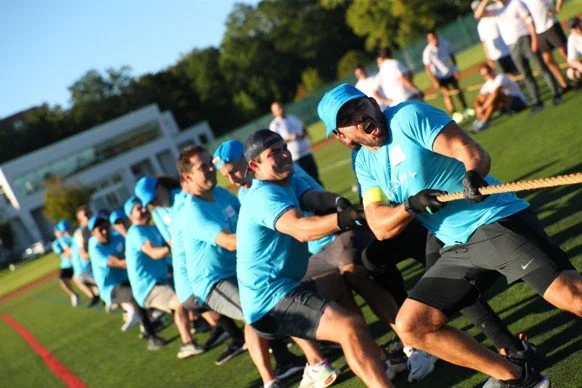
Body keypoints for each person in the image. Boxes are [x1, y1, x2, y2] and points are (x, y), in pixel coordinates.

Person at [318, 83, 582, 387]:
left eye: (359, 106)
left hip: (494, 221)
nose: (358, 116)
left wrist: (472, 174)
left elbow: (469, 151)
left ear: (373, 103)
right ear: (342, 137)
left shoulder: (408, 117)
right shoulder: (363, 161)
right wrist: (412, 206)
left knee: (571, 297)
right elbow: (379, 224)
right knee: (412, 325)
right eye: (347, 118)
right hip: (458, 247)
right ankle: (518, 378)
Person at [214, 139, 439, 383]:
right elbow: (301, 229)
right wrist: (342, 219)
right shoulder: (263, 195)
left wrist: (340, 204)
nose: (283, 156)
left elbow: (315, 197)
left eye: (283, 149)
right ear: (255, 166)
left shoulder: (286, 180)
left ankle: (383, 359)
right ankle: (396, 355)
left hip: (286, 285)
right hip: (270, 300)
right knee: (349, 326)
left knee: (343, 282)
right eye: (273, 153)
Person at [179, 145, 340, 387]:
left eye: (210, 164)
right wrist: (280, 227)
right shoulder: (192, 211)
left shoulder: (222, 194)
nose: (212, 170)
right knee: (255, 311)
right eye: (203, 167)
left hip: (239, 271)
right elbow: (229, 241)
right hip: (213, 280)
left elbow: (250, 219)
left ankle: (298, 361)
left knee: (273, 303)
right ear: (187, 177)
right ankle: (284, 375)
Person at [134, 175, 253, 360]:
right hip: (191, 268)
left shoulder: (184, 199)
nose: (154, 203)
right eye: (149, 201)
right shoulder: (157, 213)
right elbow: (172, 242)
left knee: (251, 311)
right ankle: (237, 336)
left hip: (214, 261)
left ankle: (246, 338)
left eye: (154, 196)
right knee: (199, 302)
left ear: (160, 187)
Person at [124, 196, 205, 360]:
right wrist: (173, 245)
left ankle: (212, 326)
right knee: (181, 301)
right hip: (148, 288)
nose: (143, 210)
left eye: (142, 206)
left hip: (163, 280)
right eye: (137, 209)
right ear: (130, 216)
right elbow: (153, 252)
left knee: (194, 294)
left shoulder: (152, 228)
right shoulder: (135, 232)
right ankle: (187, 344)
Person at [87, 215, 166, 350]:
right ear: (93, 233)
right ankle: (151, 336)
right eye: (100, 230)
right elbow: (116, 263)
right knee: (136, 296)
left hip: (128, 280)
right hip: (110, 289)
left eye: (105, 227)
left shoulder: (117, 238)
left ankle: (149, 321)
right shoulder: (96, 249)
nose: (105, 231)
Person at [474, 0, 562, 110]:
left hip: (525, 39)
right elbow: (478, 15)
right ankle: (538, 102)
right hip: (512, 45)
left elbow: (529, 21)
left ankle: (556, 94)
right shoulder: (496, 9)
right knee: (526, 74)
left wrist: (534, 39)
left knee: (542, 68)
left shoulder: (515, 3)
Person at [422, 30, 473, 122]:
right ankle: (455, 113)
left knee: (458, 90)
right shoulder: (427, 52)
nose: (434, 39)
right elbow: (428, 68)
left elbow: (452, 56)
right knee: (447, 94)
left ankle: (466, 109)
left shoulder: (445, 43)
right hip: (439, 76)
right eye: (431, 38)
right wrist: (434, 80)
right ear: (428, 40)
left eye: (435, 37)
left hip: (450, 72)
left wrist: (456, 69)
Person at [269, 101, 322, 185]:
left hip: (306, 152)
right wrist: (290, 139)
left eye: (281, 107)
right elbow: (275, 144)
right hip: (295, 158)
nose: (281, 110)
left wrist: (304, 134)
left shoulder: (292, 117)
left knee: (316, 177)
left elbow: (302, 127)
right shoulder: (275, 125)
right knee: (305, 181)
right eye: (278, 109)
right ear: (274, 112)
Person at [521, 0, 569, 90]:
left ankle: (578, 74)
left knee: (565, 52)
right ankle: (564, 84)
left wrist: (557, 9)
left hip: (551, 25)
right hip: (539, 32)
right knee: (548, 60)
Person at [471, 63, 527, 132]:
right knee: (482, 97)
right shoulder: (487, 84)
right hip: (505, 104)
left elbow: (495, 93)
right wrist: (478, 109)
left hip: (518, 102)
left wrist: (483, 107)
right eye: (484, 75)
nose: (487, 76)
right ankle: (480, 120)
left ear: (492, 70)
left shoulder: (501, 77)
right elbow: (478, 99)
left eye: (488, 72)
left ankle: (485, 121)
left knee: (495, 96)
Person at [471, 1, 519, 75]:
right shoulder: (480, 25)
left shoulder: (495, 14)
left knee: (517, 73)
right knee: (504, 77)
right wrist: (489, 58)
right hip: (495, 56)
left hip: (507, 51)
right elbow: (484, 43)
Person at [70, 205, 100, 306]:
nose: (88, 217)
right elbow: (83, 253)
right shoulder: (81, 233)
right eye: (84, 215)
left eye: (88, 213)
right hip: (87, 270)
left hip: (86, 269)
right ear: (80, 220)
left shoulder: (92, 228)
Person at [51, 221, 79, 307]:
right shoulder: (56, 243)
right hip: (67, 265)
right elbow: (65, 254)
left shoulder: (70, 237)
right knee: (62, 279)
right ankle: (74, 295)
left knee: (81, 279)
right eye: (58, 231)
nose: (60, 233)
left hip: (78, 262)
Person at [566, 17, 582, 85]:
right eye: (575, 28)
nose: (578, 29)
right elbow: (571, 61)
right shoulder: (572, 38)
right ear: (571, 30)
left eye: (579, 25)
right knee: (571, 72)